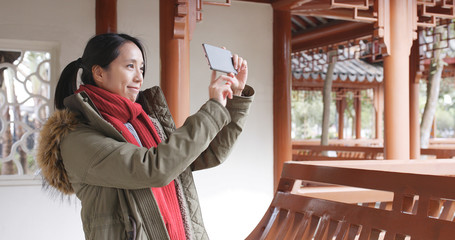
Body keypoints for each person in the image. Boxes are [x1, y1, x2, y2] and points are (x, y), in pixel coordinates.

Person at [37, 33, 254, 240]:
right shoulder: (78, 138)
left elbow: (208, 154)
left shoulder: (145, 122)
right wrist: (213, 106)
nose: (139, 77)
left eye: (141, 68)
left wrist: (233, 97)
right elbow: (154, 168)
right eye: (130, 66)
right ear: (99, 72)